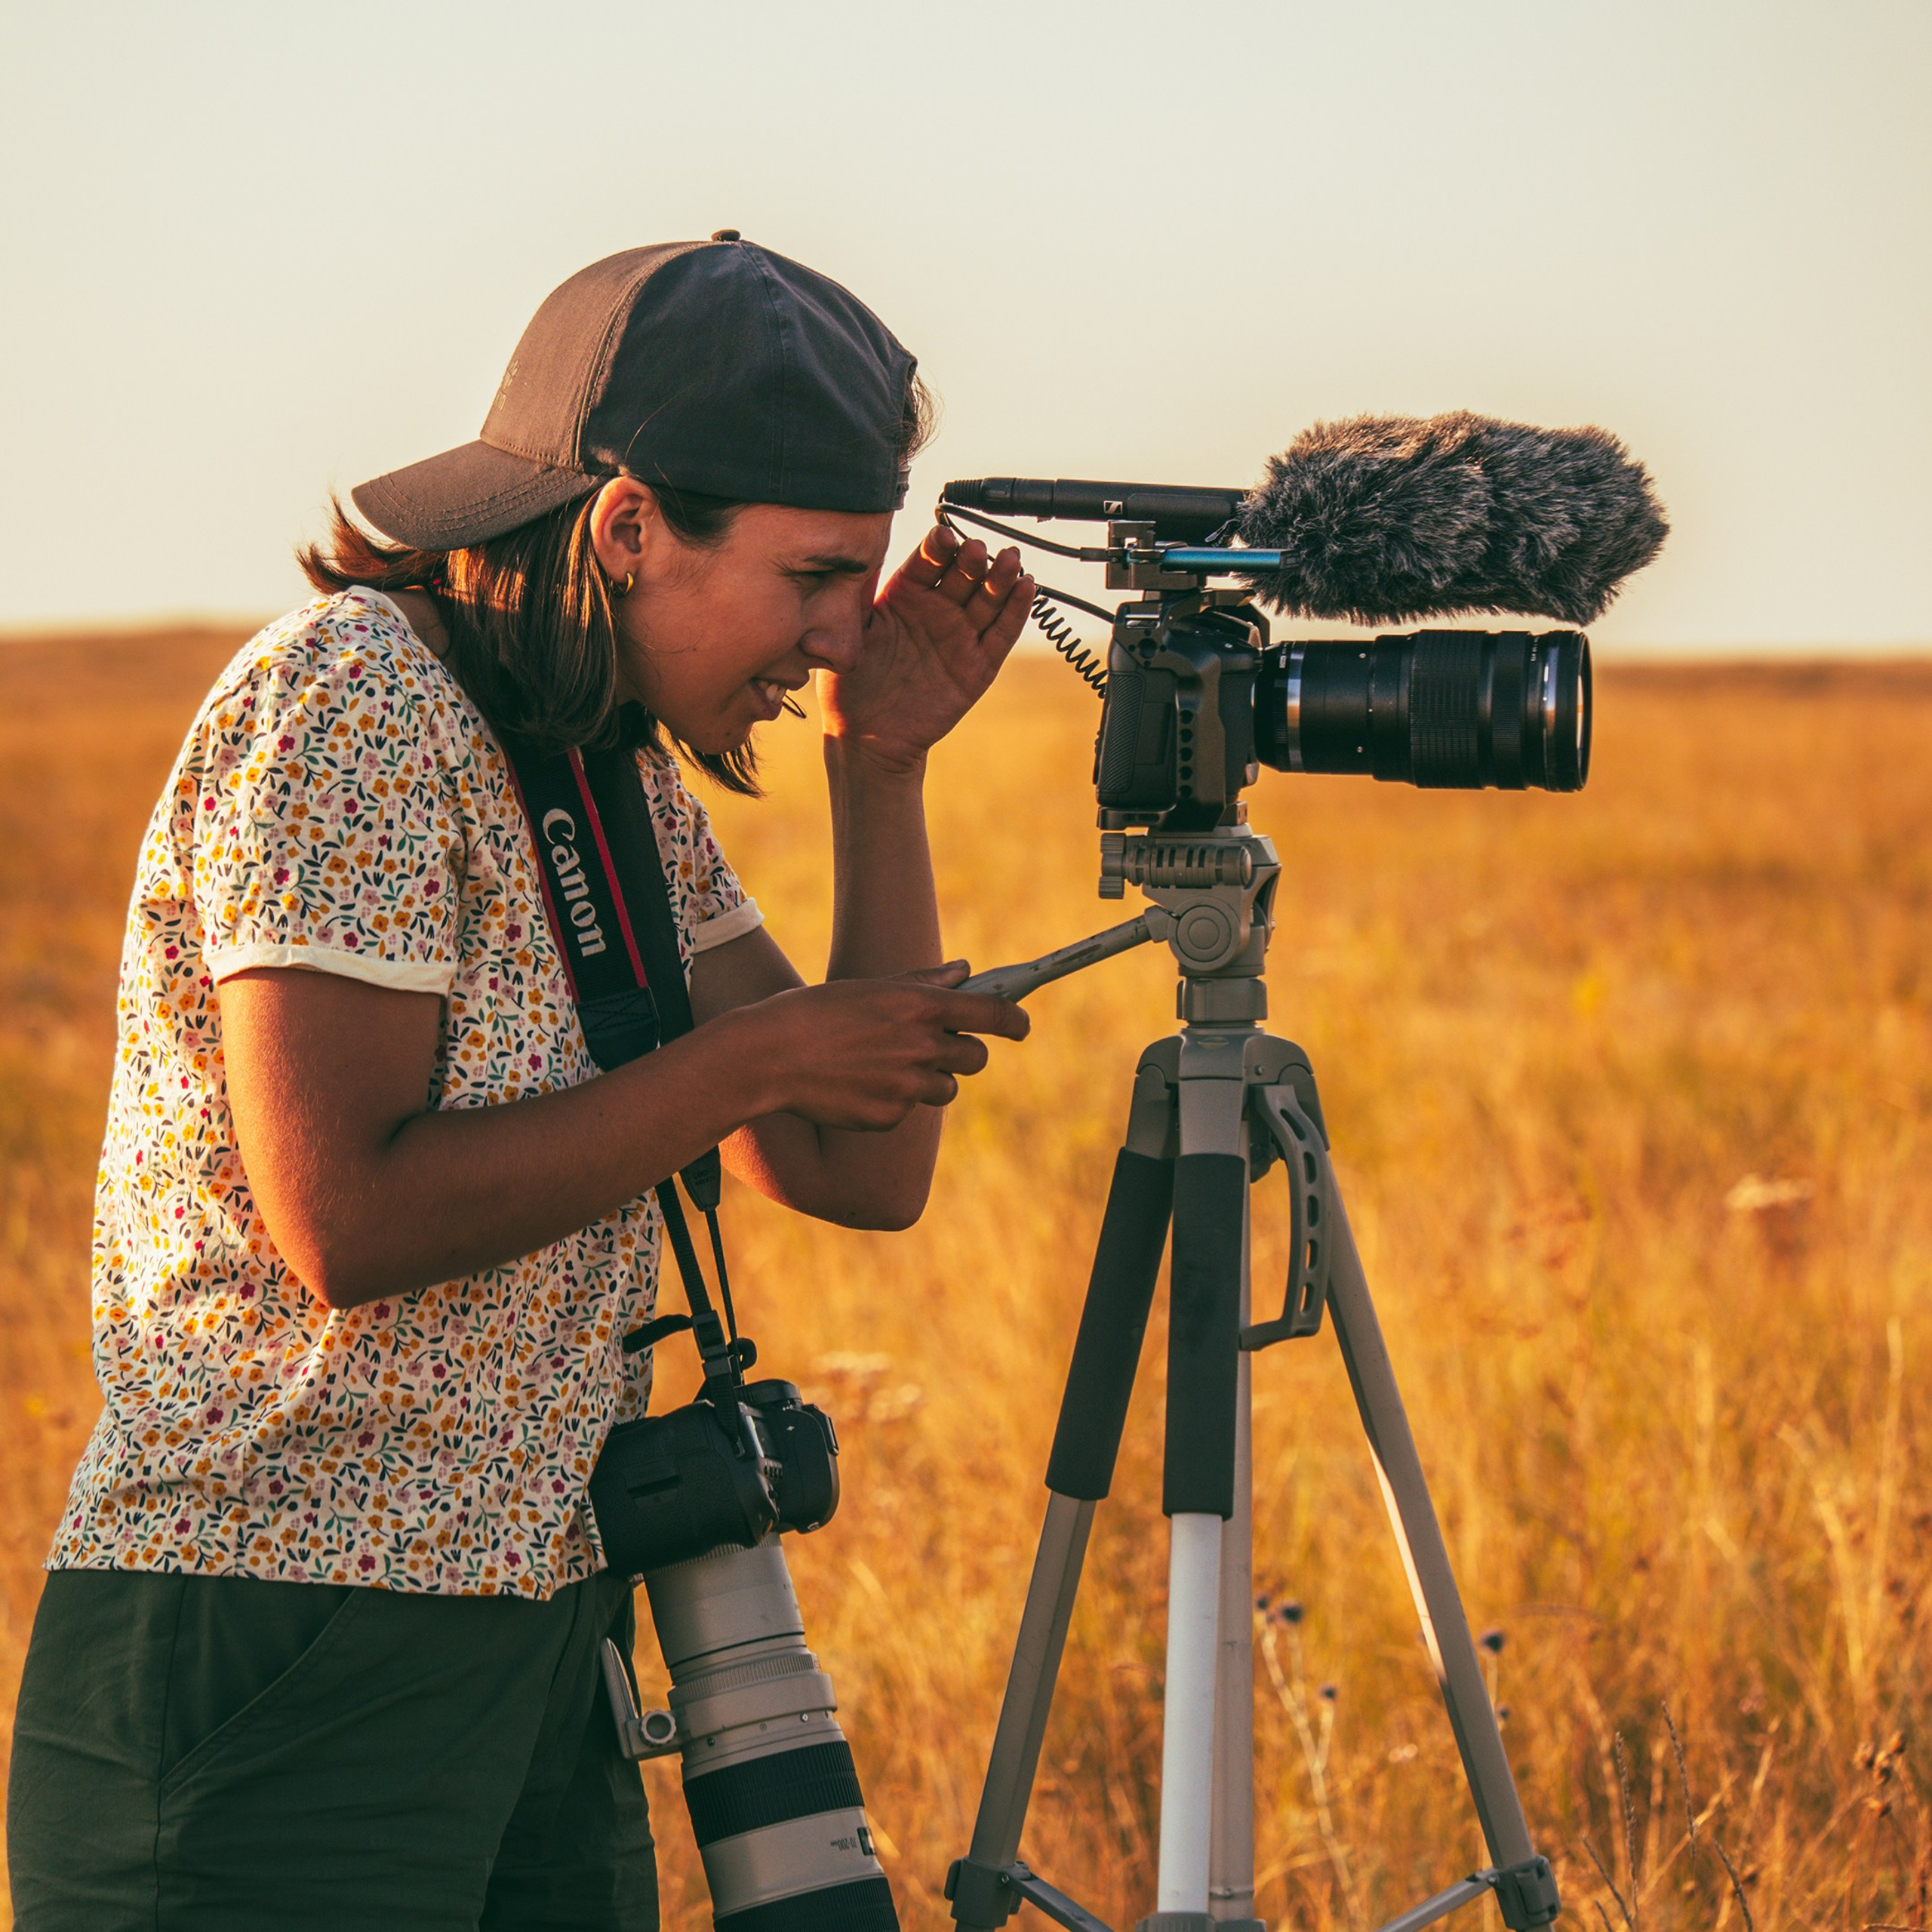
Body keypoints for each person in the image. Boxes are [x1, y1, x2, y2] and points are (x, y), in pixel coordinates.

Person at [7, 234, 1034, 1930]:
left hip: (537, 1615)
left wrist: (880, 766)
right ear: (627, 524)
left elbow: (860, 1171)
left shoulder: (602, 763)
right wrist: (753, 1054)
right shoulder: (350, 700)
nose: (846, 627)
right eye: (811, 576)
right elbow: (345, 1215)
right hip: (273, 1616)